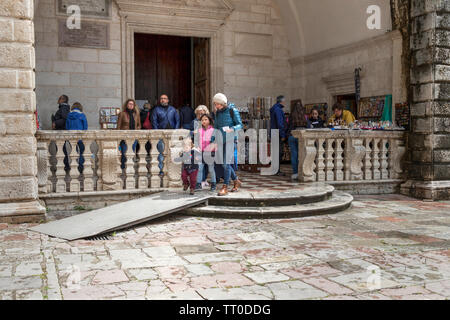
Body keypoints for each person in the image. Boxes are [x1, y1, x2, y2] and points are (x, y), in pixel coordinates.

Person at [213, 93, 243, 197]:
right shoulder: (217, 113)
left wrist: (232, 129)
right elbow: (216, 127)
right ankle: (236, 180)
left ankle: (225, 187)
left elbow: (240, 125)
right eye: (215, 104)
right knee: (223, 164)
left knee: (226, 164)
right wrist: (213, 140)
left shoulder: (232, 110)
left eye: (218, 104)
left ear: (223, 103)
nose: (216, 106)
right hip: (221, 140)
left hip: (231, 140)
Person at [195, 114, 217, 192]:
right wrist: (197, 147)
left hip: (209, 153)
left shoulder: (213, 130)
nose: (204, 121)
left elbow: (215, 141)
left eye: (205, 119)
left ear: (209, 120)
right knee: (200, 168)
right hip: (200, 152)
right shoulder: (199, 130)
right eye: (202, 120)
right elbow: (196, 140)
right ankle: (198, 184)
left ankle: (213, 184)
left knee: (211, 169)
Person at [118, 99, 141, 169]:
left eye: (132, 104)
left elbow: (139, 125)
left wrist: (137, 131)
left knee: (132, 153)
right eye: (129, 104)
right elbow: (118, 126)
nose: (131, 105)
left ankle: (130, 168)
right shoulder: (122, 114)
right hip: (124, 137)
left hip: (134, 137)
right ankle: (123, 168)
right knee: (124, 153)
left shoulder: (136, 114)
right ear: (126, 105)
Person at [287, 100, 307, 181]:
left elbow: (288, 126)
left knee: (294, 155)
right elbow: (308, 125)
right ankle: (302, 171)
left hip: (292, 136)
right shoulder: (304, 116)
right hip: (302, 136)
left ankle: (295, 173)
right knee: (302, 154)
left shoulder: (291, 116)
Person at [66, 102, 88, 173]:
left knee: (73, 152)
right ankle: (80, 167)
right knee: (82, 151)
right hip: (80, 136)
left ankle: (73, 167)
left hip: (71, 136)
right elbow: (85, 127)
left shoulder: (69, 115)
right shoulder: (82, 115)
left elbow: (67, 127)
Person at [270, 95, 288, 176]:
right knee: (278, 152)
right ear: (282, 101)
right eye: (284, 101)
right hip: (277, 133)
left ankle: (274, 169)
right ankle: (276, 170)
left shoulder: (274, 108)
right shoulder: (278, 110)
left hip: (273, 132)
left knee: (275, 152)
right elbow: (280, 123)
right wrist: (283, 134)